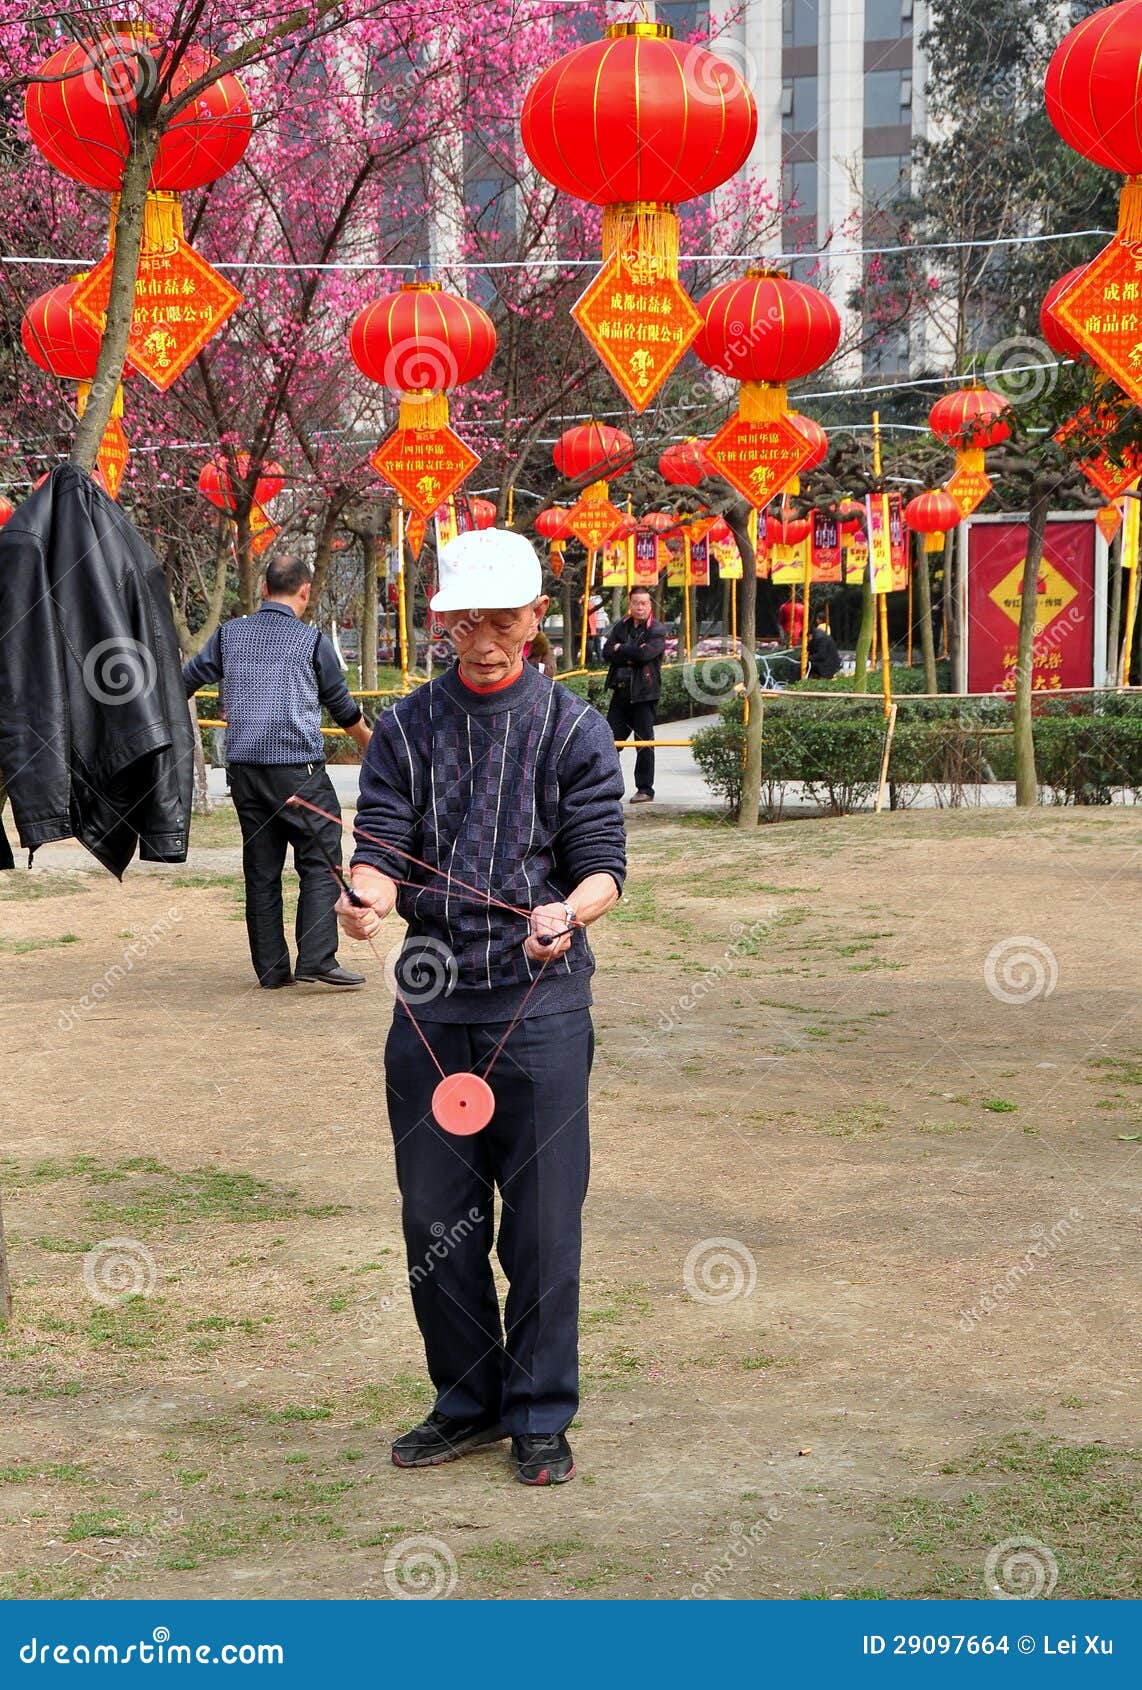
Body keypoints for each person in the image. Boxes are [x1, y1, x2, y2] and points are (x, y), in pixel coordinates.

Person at [336, 528, 626, 1487]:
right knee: (434, 1218)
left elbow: (603, 866)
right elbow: (379, 838)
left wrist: (566, 913)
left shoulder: (576, 729)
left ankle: (541, 1412)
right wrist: (368, 895)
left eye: (505, 620)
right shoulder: (408, 728)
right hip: (431, 1004)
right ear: (445, 623)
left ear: (540, 619)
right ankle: (468, 1401)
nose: (486, 639)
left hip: (540, 1002)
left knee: (542, 1223)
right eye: (468, 621)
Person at [182, 553, 372, 989]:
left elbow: (184, 681)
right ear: (304, 591)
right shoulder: (311, 641)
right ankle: (317, 958)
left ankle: (271, 969)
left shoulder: (229, 634)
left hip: (245, 773)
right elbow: (342, 708)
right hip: (299, 771)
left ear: (264, 589)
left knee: (262, 869)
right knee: (322, 860)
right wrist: (373, 749)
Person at [602, 585, 665, 805]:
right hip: (620, 692)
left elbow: (644, 655)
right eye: (636, 603)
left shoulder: (657, 629)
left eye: (644, 603)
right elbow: (607, 652)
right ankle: (606, 787)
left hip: (644, 694)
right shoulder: (622, 626)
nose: (640, 607)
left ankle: (645, 789)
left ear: (650, 605)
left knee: (644, 743)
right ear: (630, 605)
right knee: (609, 742)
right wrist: (627, 651)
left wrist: (622, 649)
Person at [807, 611, 842, 680]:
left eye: (817, 619)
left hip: (827, 663)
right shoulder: (827, 626)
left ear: (820, 619)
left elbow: (821, 652)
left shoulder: (819, 629)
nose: (816, 620)